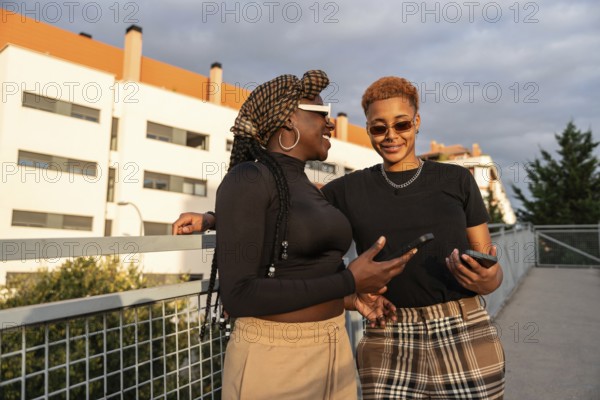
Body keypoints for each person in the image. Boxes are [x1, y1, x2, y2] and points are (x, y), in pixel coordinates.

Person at [174, 76, 505, 399]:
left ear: (417, 122)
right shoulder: (346, 189)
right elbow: (280, 213)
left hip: (455, 327)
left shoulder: (456, 179)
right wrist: (213, 219)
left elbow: (487, 262)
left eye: (402, 125)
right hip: (388, 329)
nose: (391, 135)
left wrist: (489, 280)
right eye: (378, 128)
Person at [184, 70, 414, 400]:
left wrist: (349, 299)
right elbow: (240, 295)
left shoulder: (309, 188)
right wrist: (349, 282)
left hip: (334, 347)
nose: (330, 124)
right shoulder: (248, 178)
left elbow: (298, 265)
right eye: (322, 114)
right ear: (290, 120)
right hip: (275, 360)